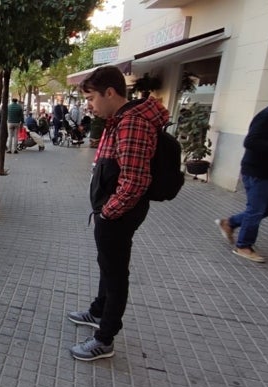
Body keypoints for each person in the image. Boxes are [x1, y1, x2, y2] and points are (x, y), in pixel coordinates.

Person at [67, 65, 169, 362]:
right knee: (108, 265)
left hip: (118, 214)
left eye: (91, 98)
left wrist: (108, 214)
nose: (89, 106)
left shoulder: (131, 123)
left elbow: (135, 180)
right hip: (112, 211)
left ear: (110, 92)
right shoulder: (120, 119)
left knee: (115, 273)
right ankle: (98, 311)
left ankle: (105, 338)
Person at [215, 83, 268, 263]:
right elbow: (251, 142)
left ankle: (230, 223)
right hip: (257, 170)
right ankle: (244, 246)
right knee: (255, 210)